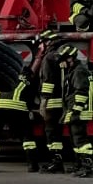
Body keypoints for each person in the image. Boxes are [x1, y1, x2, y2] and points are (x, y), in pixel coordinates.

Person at [0, 67, 38, 173]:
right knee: (27, 137)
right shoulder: (29, 81)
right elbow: (31, 101)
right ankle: (32, 165)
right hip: (18, 108)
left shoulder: (6, 76)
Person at [36, 30, 71, 173]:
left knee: (51, 132)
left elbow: (48, 81)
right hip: (63, 101)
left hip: (52, 102)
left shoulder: (49, 58)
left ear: (47, 42)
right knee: (57, 133)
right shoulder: (61, 56)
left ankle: (56, 162)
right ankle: (58, 161)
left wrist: (44, 100)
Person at [56, 45, 93, 178]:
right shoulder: (74, 70)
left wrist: (75, 112)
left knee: (80, 140)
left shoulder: (78, 71)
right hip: (75, 110)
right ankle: (79, 164)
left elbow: (81, 92)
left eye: (63, 59)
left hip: (79, 111)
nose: (61, 62)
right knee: (74, 140)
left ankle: (88, 166)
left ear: (70, 58)